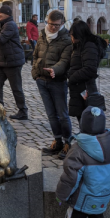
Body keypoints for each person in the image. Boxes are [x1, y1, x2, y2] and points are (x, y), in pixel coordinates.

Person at [52, 106, 110, 218]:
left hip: (82, 198)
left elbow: (70, 179)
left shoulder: (78, 149)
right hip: (102, 195)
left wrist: (60, 196)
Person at [32, 10, 72, 159]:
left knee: (62, 115)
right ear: (47, 21)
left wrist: (54, 70)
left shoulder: (66, 39)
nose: (53, 27)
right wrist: (35, 73)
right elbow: (35, 55)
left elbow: (64, 61)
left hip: (58, 82)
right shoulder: (42, 35)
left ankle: (68, 142)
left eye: (56, 25)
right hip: (41, 80)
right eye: (50, 24)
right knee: (51, 115)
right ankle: (57, 141)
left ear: (62, 24)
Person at [68, 20, 107, 123]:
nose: (71, 38)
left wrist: (72, 78)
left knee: (88, 124)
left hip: (85, 89)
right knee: (83, 122)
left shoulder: (89, 46)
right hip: (78, 89)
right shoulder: (80, 46)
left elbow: (90, 69)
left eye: (73, 35)